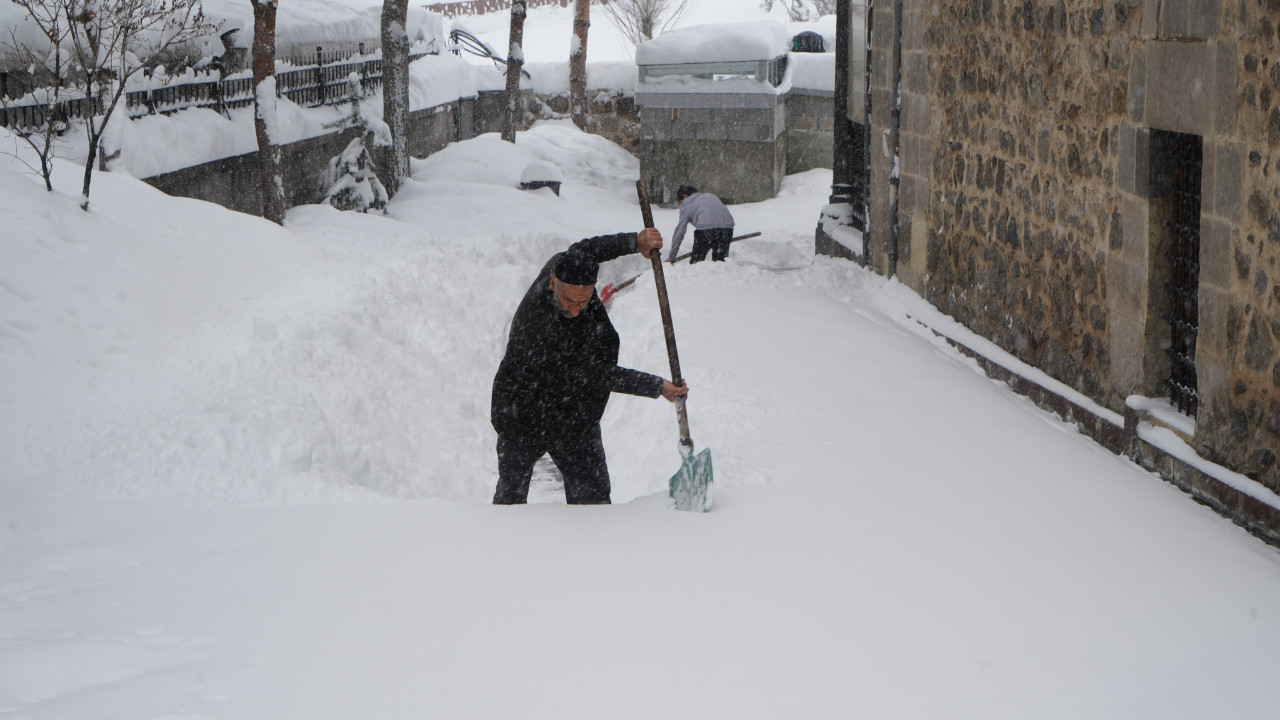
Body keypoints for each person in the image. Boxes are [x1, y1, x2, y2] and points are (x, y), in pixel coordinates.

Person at [491, 228, 689, 505]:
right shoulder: (535, 325)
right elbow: (594, 373)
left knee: (593, 498)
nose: (575, 310)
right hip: (522, 409)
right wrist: (656, 386)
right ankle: (502, 543)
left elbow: (589, 248)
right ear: (552, 283)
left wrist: (636, 242)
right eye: (569, 300)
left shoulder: (568, 263)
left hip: (572, 410)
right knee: (510, 499)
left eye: (583, 301)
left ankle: (595, 547)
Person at [666, 185, 735, 264]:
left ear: (685, 196)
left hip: (706, 230)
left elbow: (680, 232)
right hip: (727, 229)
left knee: (696, 262)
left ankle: (696, 267)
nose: (680, 204)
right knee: (719, 262)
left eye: (679, 201)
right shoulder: (710, 196)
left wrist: (672, 257)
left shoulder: (687, 204)